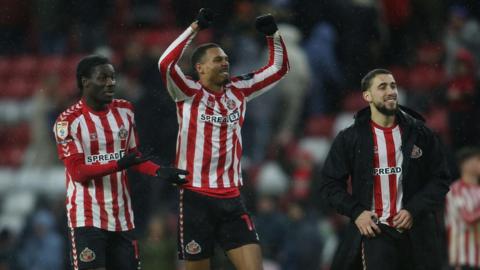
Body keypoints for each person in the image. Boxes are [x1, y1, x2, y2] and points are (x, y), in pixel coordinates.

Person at [158, 8, 289, 270]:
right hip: (195, 197)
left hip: (231, 197)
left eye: (226, 58)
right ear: (200, 67)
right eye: (218, 60)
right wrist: (194, 28)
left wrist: (273, 35)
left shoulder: (240, 90)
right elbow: (165, 64)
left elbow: (279, 68)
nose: (225, 62)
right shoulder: (187, 91)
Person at [52, 55, 188, 270]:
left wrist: (160, 171)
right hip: (86, 217)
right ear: (85, 81)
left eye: (113, 77)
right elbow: (78, 172)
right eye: (103, 78)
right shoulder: (68, 121)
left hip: (122, 217)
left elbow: (133, 158)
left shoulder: (125, 111)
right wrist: (118, 164)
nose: (111, 83)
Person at [319, 68, 451, 270]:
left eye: (393, 86)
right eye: (382, 87)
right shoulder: (350, 138)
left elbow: (440, 179)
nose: (391, 91)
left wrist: (413, 209)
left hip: (418, 233)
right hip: (376, 232)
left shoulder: (421, 133)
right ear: (367, 96)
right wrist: (357, 213)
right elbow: (329, 185)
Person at [445, 147, 480, 270]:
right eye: (478, 160)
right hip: (464, 258)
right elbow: (468, 218)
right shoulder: (456, 190)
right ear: (466, 164)